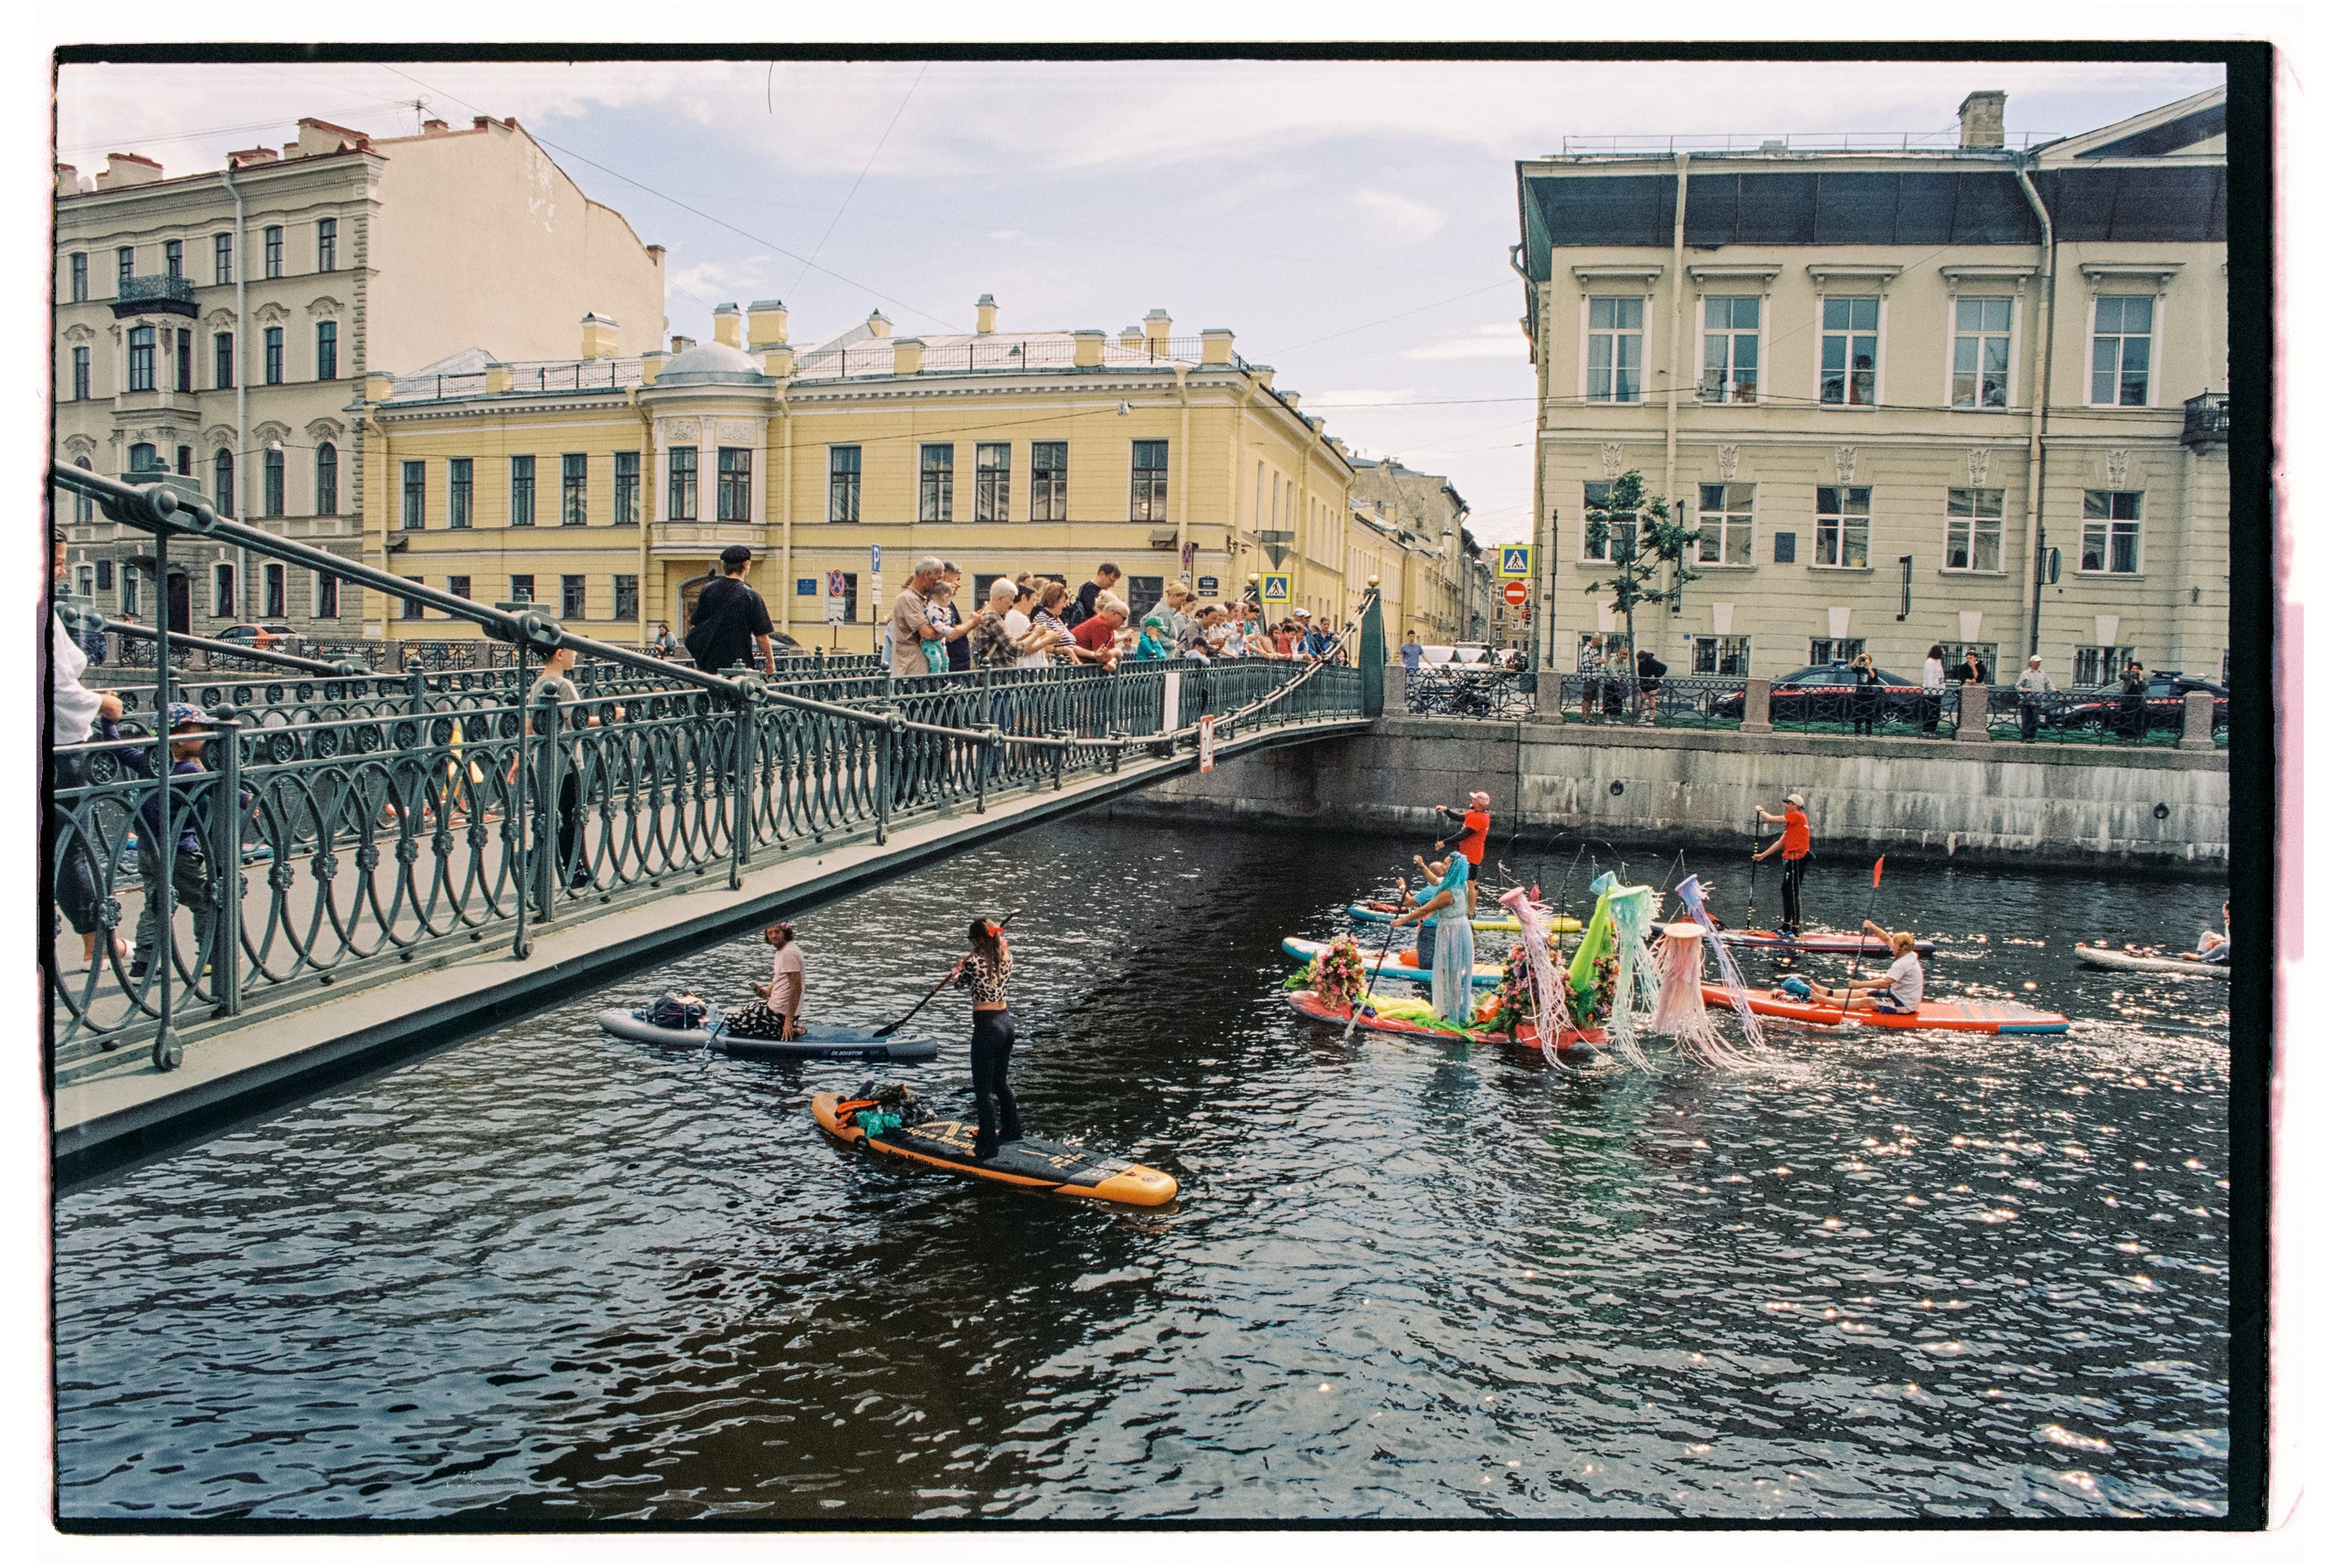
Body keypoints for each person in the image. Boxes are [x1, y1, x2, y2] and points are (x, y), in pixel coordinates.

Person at [128, 704, 228, 983]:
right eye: (203, 732)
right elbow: (217, 786)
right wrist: (244, 797)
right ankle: (211, 957)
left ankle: (143, 963)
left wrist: (109, 725)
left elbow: (124, 752)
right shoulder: (186, 769)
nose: (208, 737)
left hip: (148, 849)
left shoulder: (153, 763)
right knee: (206, 900)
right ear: (181, 739)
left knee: (157, 903)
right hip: (179, 852)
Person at [515, 642, 620, 889]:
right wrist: (613, 715)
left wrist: (520, 758)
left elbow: (530, 725)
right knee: (570, 817)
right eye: (573, 650)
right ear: (559, 653)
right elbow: (578, 720)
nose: (576, 655)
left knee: (550, 814)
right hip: (567, 761)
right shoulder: (564, 685)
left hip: (545, 759)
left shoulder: (539, 683)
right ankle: (572, 870)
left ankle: (535, 861)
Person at [950, 916, 1021, 1160]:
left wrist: (956, 970)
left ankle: (987, 1148)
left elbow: (959, 985)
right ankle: (1012, 1131)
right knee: (1000, 1083)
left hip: (987, 1027)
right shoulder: (1007, 957)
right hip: (1005, 1022)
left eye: (972, 940)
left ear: (978, 940)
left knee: (982, 1090)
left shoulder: (974, 963)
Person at [1389, 851, 1476, 1025]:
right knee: (1452, 971)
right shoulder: (1461, 884)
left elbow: (1422, 910)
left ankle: (1450, 1014)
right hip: (1460, 928)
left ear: (1452, 869)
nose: (1442, 867)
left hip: (1452, 933)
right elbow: (1434, 880)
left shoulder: (1448, 893)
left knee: (1449, 972)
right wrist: (1422, 866)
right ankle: (1453, 1008)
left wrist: (1402, 921)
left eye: (1445, 864)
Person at [685, 546, 777, 675]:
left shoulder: (708, 590)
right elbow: (761, 637)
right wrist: (770, 661)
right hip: (739, 664)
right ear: (746, 564)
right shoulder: (751, 596)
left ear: (724, 566)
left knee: (712, 694)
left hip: (710, 663)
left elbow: (695, 622)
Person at [1804, 924, 1922, 1013]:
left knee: (1867, 1001)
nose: (1892, 946)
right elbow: (1887, 939)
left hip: (1904, 1004)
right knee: (1864, 991)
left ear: (1901, 947)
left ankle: (1825, 1000)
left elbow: (1884, 982)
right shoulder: (1907, 953)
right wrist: (1871, 926)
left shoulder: (1903, 963)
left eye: (1895, 945)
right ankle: (1828, 992)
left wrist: (1858, 983)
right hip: (1895, 994)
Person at [727, 922, 807, 1040]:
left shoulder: (788, 953)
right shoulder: (782, 950)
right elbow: (779, 980)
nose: (773, 936)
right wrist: (765, 991)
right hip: (775, 1006)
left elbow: (796, 987)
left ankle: (784, 1030)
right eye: (770, 932)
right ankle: (782, 1026)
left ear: (785, 933)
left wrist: (788, 1021)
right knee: (746, 1011)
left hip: (781, 1013)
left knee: (733, 1024)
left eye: (777, 932)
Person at [1752, 790, 1812, 936]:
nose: (1786, 806)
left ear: (1796, 805)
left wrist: (1760, 810)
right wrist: (1763, 855)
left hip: (1798, 859)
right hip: (1791, 859)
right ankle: (1785, 926)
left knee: (1792, 892)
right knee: (1785, 891)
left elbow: (1771, 819)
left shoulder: (1797, 816)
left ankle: (1795, 930)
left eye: (1789, 804)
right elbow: (1781, 842)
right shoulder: (1793, 824)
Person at [1431, 789, 1494, 916]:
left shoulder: (1480, 818)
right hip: (1464, 852)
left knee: (1470, 883)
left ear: (1480, 804)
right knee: (1470, 882)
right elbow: (1459, 817)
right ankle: (1467, 909)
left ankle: (1470, 913)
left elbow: (1463, 835)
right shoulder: (1474, 813)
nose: (1472, 800)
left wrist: (1444, 842)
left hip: (1472, 854)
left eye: (1475, 799)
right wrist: (1446, 810)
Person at [888, 556, 948, 680]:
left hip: (923, 673)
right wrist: (947, 631)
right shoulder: (908, 598)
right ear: (927, 574)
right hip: (912, 673)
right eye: (939, 578)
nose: (940, 583)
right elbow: (927, 634)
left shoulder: (925, 600)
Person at [1068, 595, 1127, 669]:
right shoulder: (1100, 624)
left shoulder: (1109, 627)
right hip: (1077, 668)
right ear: (1113, 612)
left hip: (1085, 669)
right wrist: (1117, 652)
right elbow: (1101, 657)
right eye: (1123, 618)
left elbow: (1108, 654)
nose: (1123, 623)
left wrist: (1112, 659)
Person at [920, 578, 960, 674]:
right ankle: (934, 679)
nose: (949, 603)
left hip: (940, 641)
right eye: (949, 600)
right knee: (936, 660)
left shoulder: (942, 609)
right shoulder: (932, 609)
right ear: (945, 597)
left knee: (945, 660)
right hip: (929, 643)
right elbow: (936, 624)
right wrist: (948, 630)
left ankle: (943, 679)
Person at [2016, 653, 2055, 742]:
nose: (2038, 664)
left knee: (2035, 720)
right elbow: (2018, 686)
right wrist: (2023, 689)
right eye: (2036, 662)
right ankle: (2025, 737)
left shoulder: (2042, 674)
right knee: (2026, 720)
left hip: (2038, 700)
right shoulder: (2025, 673)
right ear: (2031, 663)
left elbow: (2048, 683)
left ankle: (2032, 737)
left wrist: (2054, 690)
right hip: (2026, 701)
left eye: (2039, 662)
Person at [1074, 562, 1122, 627]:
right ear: (1102, 574)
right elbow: (1095, 611)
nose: (1112, 585)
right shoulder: (1087, 589)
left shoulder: (1100, 590)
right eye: (1111, 580)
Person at [1849, 651, 1882, 737]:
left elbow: (1872, 676)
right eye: (1864, 659)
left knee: (1869, 713)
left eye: (1866, 658)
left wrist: (1868, 666)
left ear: (1870, 660)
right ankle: (1857, 731)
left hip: (1869, 694)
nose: (1864, 660)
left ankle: (1868, 732)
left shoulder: (1873, 669)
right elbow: (1852, 666)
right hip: (1860, 693)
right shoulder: (1860, 669)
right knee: (1858, 713)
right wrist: (1858, 658)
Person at [2188, 901, 2231, 965]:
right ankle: (2199, 953)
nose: (2222, 910)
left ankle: (2200, 958)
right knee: (2207, 934)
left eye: (2223, 909)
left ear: (2228, 911)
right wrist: (2219, 940)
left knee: (2223, 946)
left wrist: (2218, 941)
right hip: (2228, 945)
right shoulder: (2227, 922)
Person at [2118, 658, 2151, 742]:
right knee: (2126, 719)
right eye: (2133, 668)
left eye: (2136, 669)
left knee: (2137, 720)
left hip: (2138, 702)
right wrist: (2125, 671)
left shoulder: (2143, 678)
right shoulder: (2128, 677)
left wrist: (2140, 678)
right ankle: (2124, 737)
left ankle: (2136, 738)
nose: (2134, 670)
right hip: (2128, 702)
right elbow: (2121, 676)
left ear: (2140, 670)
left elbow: (2144, 687)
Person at [1921, 644, 1948, 736]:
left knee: (1936, 712)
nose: (1944, 652)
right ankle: (1927, 730)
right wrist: (1930, 690)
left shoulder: (1938, 661)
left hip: (1938, 691)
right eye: (1942, 650)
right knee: (1930, 711)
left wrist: (1942, 687)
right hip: (1931, 692)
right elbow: (1930, 677)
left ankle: (1933, 730)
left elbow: (1941, 676)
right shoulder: (1930, 662)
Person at [1636, 647, 1667, 722]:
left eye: (1639, 659)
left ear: (1642, 658)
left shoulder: (1652, 661)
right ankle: (1643, 717)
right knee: (1642, 699)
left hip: (1653, 684)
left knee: (1652, 700)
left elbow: (1664, 667)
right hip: (1644, 684)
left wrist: (1656, 675)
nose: (1638, 661)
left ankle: (1651, 718)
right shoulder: (1641, 663)